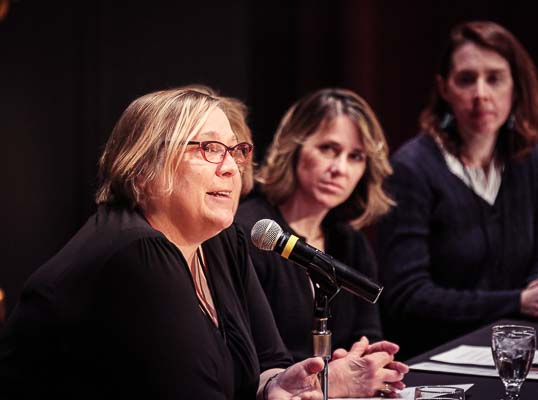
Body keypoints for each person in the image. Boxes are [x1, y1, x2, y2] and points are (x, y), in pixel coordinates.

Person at [0, 86, 325, 399]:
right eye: (209, 149)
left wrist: (273, 387)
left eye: (236, 151)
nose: (230, 168)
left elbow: (269, 359)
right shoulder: (135, 252)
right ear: (143, 166)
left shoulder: (221, 242)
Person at [377, 21, 538, 358]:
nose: (481, 94)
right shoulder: (412, 168)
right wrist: (517, 302)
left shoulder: (524, 156)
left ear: (515, 87)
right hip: (439, 356)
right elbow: (406, 296)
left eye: (495, 78)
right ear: (444, 88)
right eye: (467, 79)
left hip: (514, 347)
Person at [236, 88, 409, 398]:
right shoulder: (251, 233)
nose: (339, 169)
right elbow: (250, 359)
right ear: (295, 147)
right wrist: (328, 379)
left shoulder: (350, 241)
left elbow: (369, 337)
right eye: (329, 148)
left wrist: (361, 362)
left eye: (355, 157)